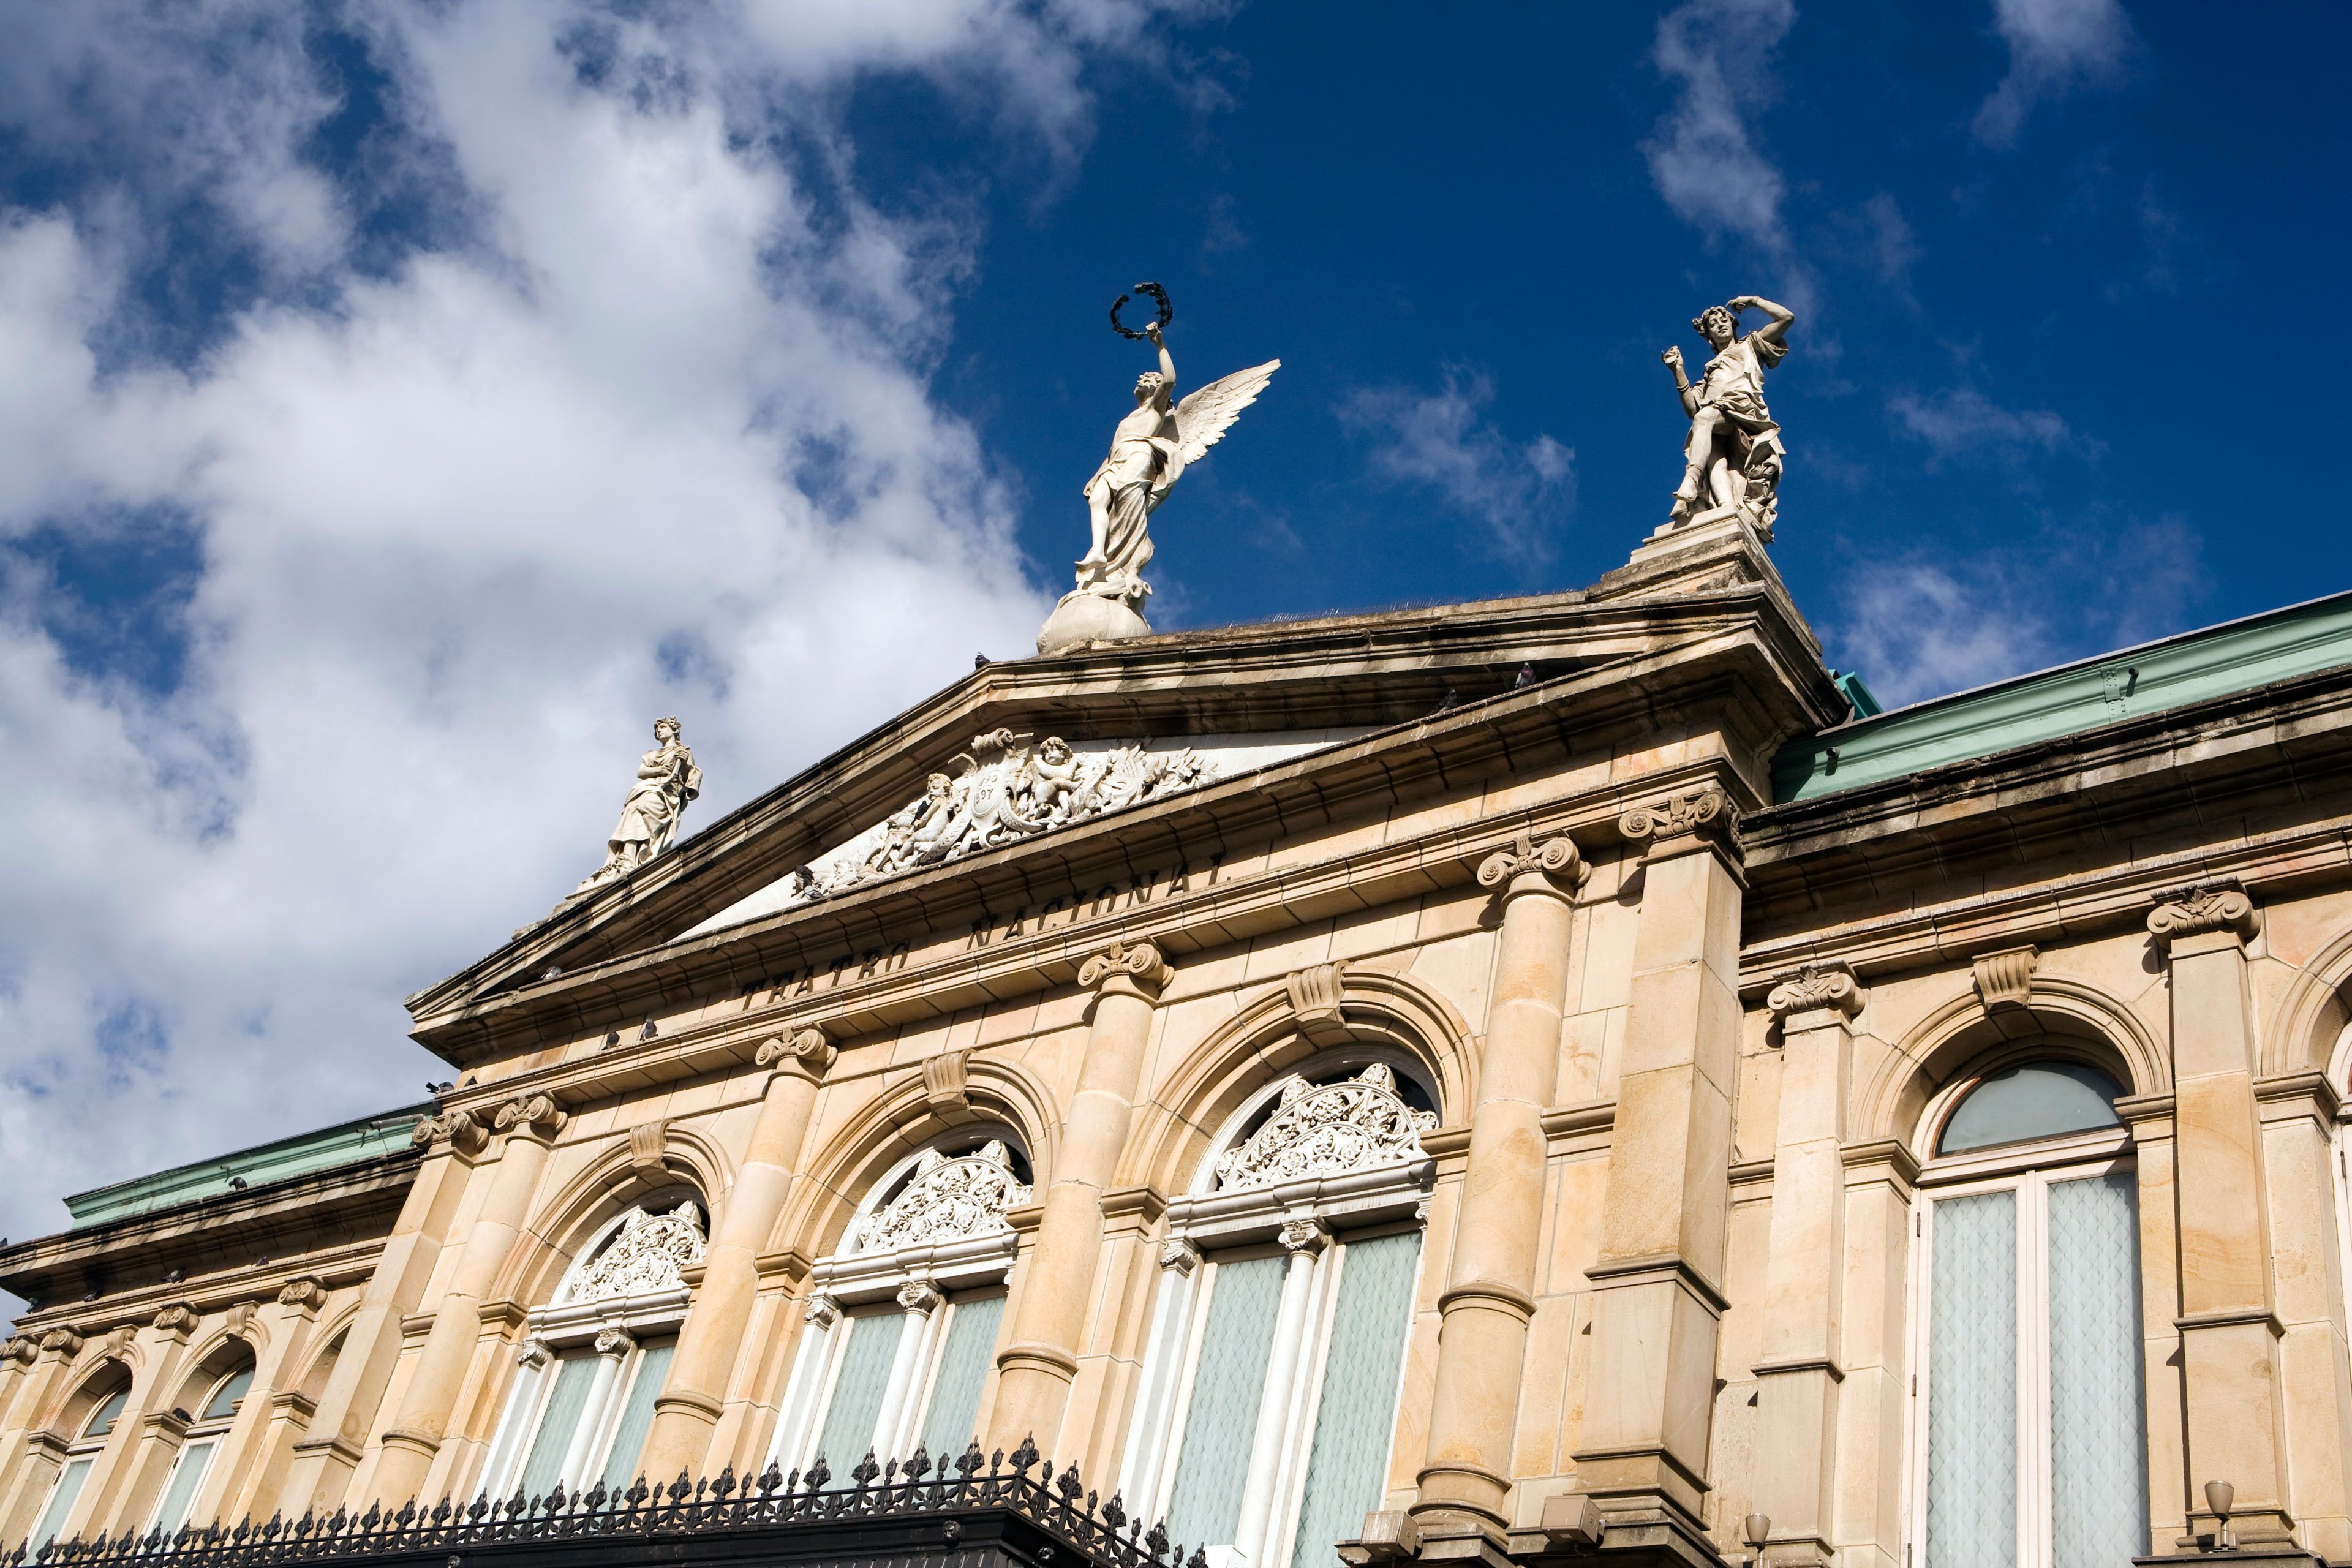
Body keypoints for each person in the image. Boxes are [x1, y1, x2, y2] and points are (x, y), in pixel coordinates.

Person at [1661, 294, 1795, 527]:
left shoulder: (1751, 344)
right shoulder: (1708, 371)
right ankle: (1726, 509)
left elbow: (1786, 318)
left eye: (1723, 320)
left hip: (1744, 411)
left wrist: (1753, 301)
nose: (1719, 325)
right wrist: (1678, 370)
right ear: (1709, 336)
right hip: (1716, 416)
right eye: (1713, 325)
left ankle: (1690, 481)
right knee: (1715, 459)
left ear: (1733, 324)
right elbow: (1693, 408)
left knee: (1706, 417)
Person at [1077, 320, 1180, 604]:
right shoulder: (1128, 418)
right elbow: (1113, 450)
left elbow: (1170, 379)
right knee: (1098, 500)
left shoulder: (1155, 408)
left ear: (1154, 388)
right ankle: (1099, 551)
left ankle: (1125, 567)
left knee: (1128, 513)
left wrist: (1160, 345)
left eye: (1145, 379)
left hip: (1138, 457)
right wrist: (1097, 474)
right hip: (1116, 461)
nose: (1138, 382)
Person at [576, 718, 702, 892]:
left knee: (637, 810)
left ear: (674, 730)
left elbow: (690, 777)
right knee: (632, 810)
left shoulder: (683, 751)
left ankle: (632, 856)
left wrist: (685, 765)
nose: (659, 731)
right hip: (648, 788)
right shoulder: (652, 754)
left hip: (666, 794)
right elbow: (641, 771)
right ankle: (628, 856)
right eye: (657, 729)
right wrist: (659, 770)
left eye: (663, 728)